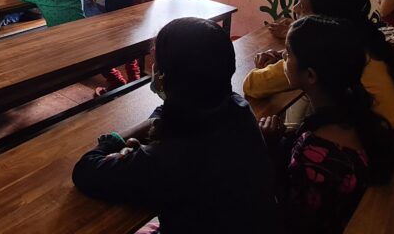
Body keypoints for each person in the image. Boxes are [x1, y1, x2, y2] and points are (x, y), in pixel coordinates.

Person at [72, 18, 277, 233]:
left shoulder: (168, 157)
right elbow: (163, 115)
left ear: (163, 78)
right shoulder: (236, 106)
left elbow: (85, 171)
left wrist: (114, 140)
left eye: (157, 63)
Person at [259, 16, 394, 234]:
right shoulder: (357, 114)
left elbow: (289, 215)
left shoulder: (316, 153)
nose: (284, 56)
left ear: (311, 75)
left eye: (289, 52)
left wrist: (271, 146)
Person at [243, 0, 394, 128]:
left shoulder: (326, 54)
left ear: (324, 21)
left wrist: (266, 66)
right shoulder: (366, 41)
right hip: (383, 131)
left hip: (366, 140)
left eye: (303, 7)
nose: (295, 9)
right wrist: (285, 56)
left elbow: (252, 85)